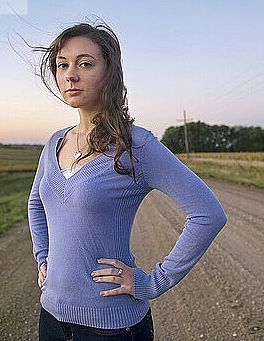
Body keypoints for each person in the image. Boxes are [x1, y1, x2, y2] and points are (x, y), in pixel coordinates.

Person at [27, 21, 228, 340]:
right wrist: (43, 257)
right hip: (50, 318)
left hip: (112, 327)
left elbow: (208, 214)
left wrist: (151, 283)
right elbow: (36, 203)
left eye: (85, 63)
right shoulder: (55, 143)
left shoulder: (137, 146)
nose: (70, 74)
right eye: (62, 65)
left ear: (110, 73)